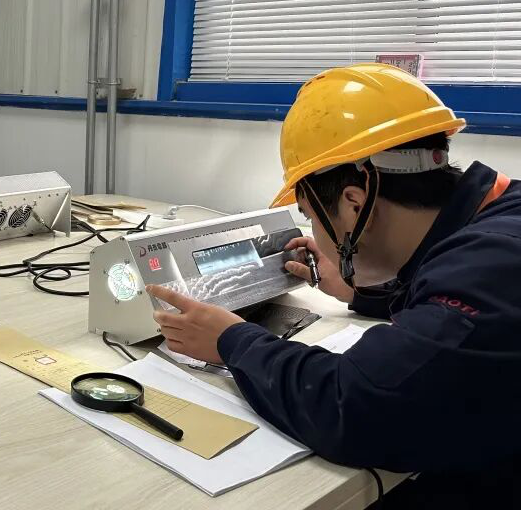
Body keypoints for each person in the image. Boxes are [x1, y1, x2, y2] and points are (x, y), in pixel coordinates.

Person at [146, 63, 520, 508]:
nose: (314, 232)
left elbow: (354, 406)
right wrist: (362, 293)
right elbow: (453, 316)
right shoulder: (496, 221)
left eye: (309, 215)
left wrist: (231, 340)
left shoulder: (493, 267)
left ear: (354, 204)